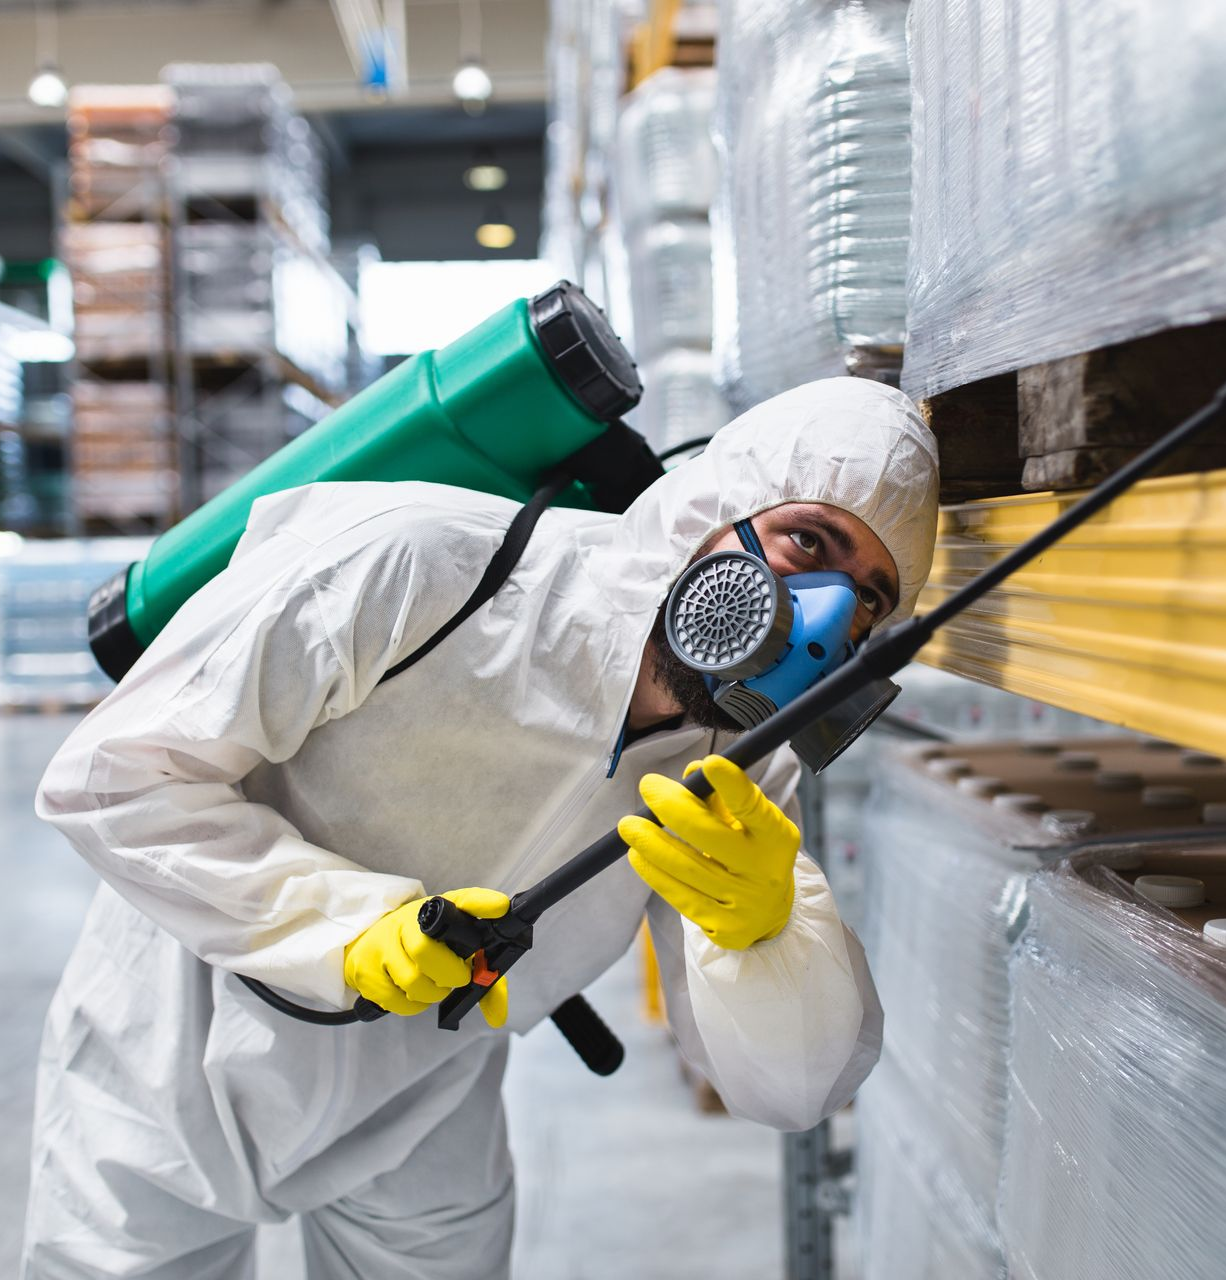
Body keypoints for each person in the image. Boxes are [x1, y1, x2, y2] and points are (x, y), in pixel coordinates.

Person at [23, 377, 939, 1279]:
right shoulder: (419, 563)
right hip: (178, 1045)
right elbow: (116, 776)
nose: (822, 619)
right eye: (806, 541)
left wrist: (769, 938)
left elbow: (782, 1087)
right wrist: (345, 927)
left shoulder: (742, 758)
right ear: (716, 505)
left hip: (426, 1093)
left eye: (867, 598)